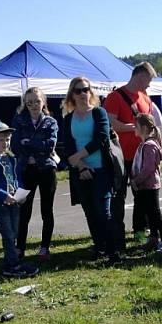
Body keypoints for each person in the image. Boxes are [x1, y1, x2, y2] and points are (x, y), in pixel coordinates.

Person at [63, 77, 120, 263]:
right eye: (78, 91)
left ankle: (113, 252)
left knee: (104, 212)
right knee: (90, 212)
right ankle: (100, 248)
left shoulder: (99, 113)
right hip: (81, 171)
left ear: (91, 92)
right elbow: (68, 146)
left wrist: (78, 156)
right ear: (72, 94)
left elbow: (101, 138)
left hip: (102, 168)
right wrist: (80, 166)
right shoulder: (68, 118)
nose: (82, 94)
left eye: (85, 90)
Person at [103, 62, 157, 249]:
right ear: (140, 76)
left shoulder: (145, 97)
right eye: (149, 80)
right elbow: (111, 124)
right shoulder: (114, 97)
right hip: (121, 156)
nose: (149, 85)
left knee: (143, 198)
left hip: (141, 156)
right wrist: (136, 128)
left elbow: (150, 124)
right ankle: (117, 239)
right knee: (118, 198)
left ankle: (141, 234)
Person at [0, 122, 39, 278]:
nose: (5, 143)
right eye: (0, 139)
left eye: (7, 139)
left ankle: (10, 262)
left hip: (14, 201)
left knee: (14, 233)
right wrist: (3, 195)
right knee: (7, 234)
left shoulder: (11, 157)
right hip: (0, 203)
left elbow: (17, 177)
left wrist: (21, 193)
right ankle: (13, 265)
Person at [11, 87, 59, 261]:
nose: (33, 105)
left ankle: (44, 247)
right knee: (24, 210)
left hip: (46, 169)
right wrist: (35, 144)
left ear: (43, 102)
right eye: (29, 102)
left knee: (47, 210)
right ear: (25, 103)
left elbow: (49, 146)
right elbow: (15, 146)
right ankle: (20, 247)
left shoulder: (51, 122)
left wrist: (29, 144)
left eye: (37, 101)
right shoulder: (18, 120)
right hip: (26, 170)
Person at [130, 113, 162, 253]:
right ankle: (153, 238)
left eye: (136, 126)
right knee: (150, 213)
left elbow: (148, 168)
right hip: (144, 186)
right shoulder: (144, 144)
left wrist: (137, 180)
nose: (134, 127)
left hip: (150, 186)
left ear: (145, 128)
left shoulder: (149, 145)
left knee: (155, 214)